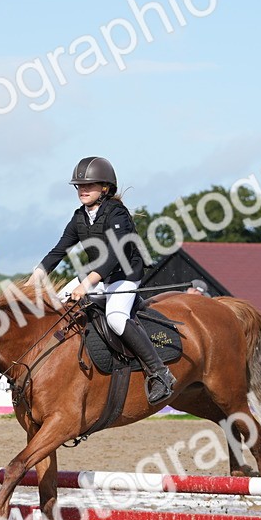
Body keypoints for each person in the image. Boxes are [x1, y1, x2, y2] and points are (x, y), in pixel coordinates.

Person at [31, 156, 175, 405]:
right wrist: (34, 278)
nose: (82, 190)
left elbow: (114, 255)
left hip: (124, 276)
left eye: (89, 185)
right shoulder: (80, 217)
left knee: (116, 318)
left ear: (105, 188)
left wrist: (85, 285)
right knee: (56, 307)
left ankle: (160, 373)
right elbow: (59, 251)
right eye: (79, 186)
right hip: (98, 277)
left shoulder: (117, 214)